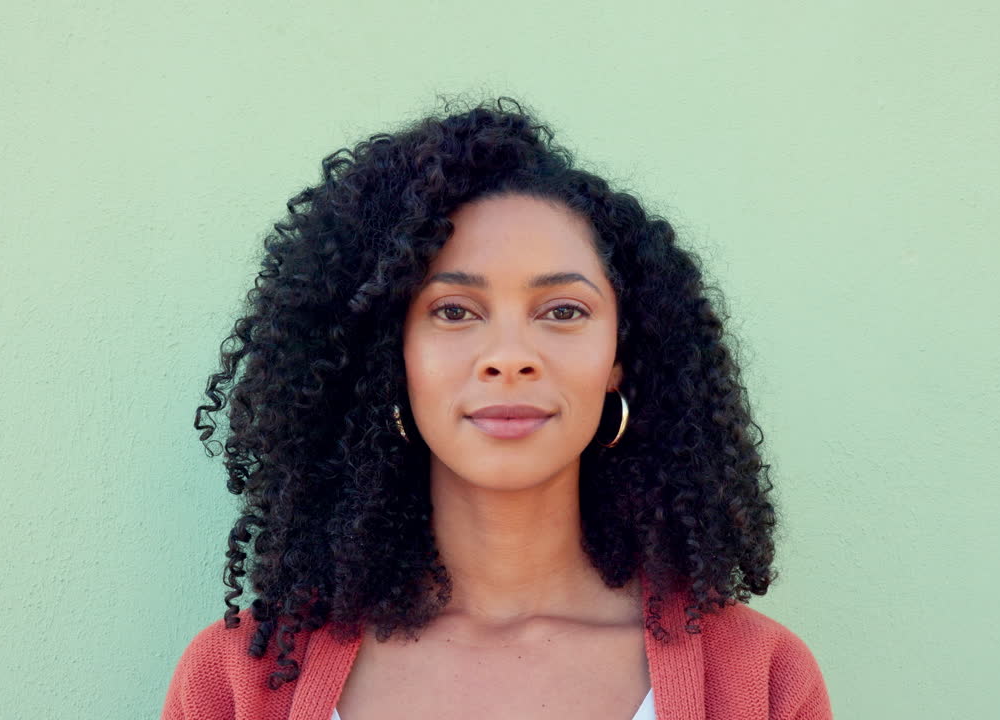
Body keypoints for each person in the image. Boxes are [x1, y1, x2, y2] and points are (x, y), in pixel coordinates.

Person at [161, 97, 831, 720]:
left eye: (563, 311)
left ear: (619, 358)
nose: (510, 357)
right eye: (454, 311)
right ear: (391, 359)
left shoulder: (758, 678)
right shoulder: (239, 679)